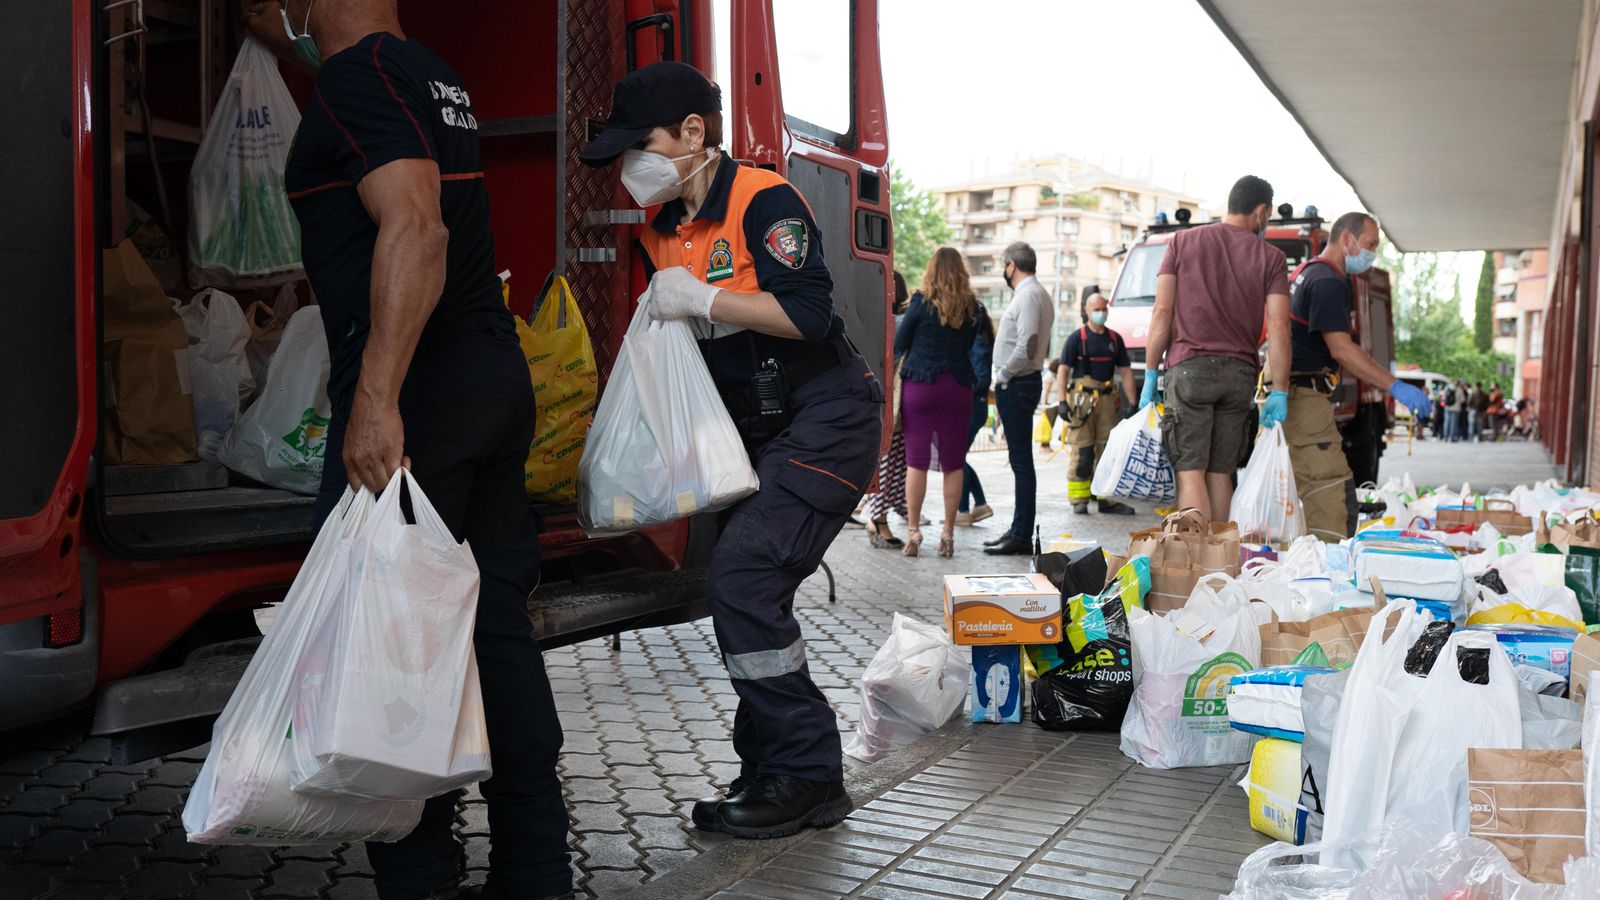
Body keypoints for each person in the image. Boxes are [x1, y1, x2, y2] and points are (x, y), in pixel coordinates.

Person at [249, 1, 572, 896]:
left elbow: (417, 230)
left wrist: (376, 403)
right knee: (497, 633)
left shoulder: (356, 80)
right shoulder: (428, 73)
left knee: (388, 657)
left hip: (420, 402)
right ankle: (538, 876)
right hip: (488, 384)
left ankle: (423, 880)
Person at [581, 61, 882, 838]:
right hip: (755, 431)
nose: (629, 168)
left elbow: (812, 316)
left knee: (745, 578)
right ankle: (771, 767)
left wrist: (704, 299)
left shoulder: (761, 199)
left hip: (826, 416)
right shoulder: (658, 231)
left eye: (639, 146)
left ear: (693, 134)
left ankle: (809, 777)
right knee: (745, 589)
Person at [1141, 175, 1292, 522]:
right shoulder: (1271, 257)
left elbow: (1162, 311)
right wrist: (1279, 391)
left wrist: (1151, 372)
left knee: (1190, 471)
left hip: (1190, 369)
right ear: (1261, 210)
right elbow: (1280, 327)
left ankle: (1197, 564)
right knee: (1220, 472)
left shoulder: (1182, 242)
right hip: (1239, 374)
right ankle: (1221, 566)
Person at [1280, 212, 1431, 540]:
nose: (1372, 254)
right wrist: (1394, 385)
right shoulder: (1327, 282)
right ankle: (1327, 571)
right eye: (1370, 244)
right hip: (1305, 398)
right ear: (1347, 239)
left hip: (1301, 395)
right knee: (1329, 493)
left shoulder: (1308, 273)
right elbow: (1342, 349)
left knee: (1335, 487)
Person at [895, 248, 982, 557]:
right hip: (957, 389)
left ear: (931, 270)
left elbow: (900, 341)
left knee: (915, 462)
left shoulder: (920, 302)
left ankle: (914, 532)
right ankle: (947, 533)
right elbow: (971, 346)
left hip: (921, 387)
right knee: (953, 463)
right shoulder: (973, 307)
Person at [985, 242, 1055, 556]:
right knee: (1019, 461)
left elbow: (1027, 345)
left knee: (1022, 462)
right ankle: (1018, 528)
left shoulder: (1029, 295)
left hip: (1017, 383)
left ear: (1012, 265)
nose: (1004, 270)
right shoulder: (1035, 294)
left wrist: (1002, 376)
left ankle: (1022, 533)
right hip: (1021, 382)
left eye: (1004, 265)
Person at [1054, 293, 1138, 515]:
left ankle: (1106, 499)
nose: (1101, 313)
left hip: (1108, 400)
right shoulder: (1076, 339)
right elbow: (1063, 371)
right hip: (1082, 401)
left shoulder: (1114, 339)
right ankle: (1079, 499)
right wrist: (1062, 401)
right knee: (1083, 451)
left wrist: (1133, 402)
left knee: (1108, 450)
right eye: (1096, 309)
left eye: (1104, 309)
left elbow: (1126, 371)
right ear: (1087, 310)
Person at [865, 273, 913, 549]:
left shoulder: (876, 319)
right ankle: (879, 517)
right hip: (895, 398)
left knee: (887, 460)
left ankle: (879, 515)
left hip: (883, 395)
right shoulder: (901, 321)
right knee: (892, 460)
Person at [955, 305, 996, 526]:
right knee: (958, 458)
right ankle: (979, 505)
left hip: (972, 407)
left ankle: (964, 510)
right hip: (973, 407)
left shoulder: (978, 343)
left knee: (957, 458)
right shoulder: (979, 340)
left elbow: (981, 379)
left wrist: (959, 386)